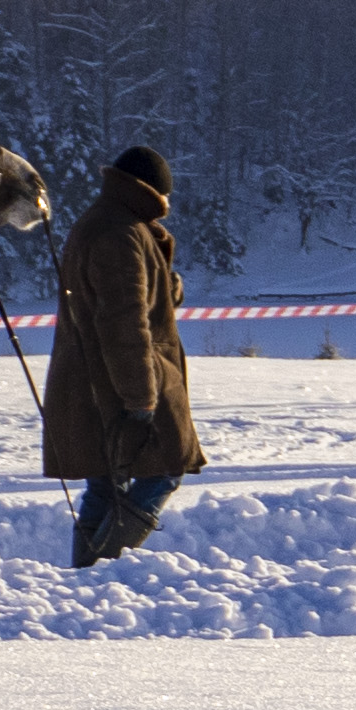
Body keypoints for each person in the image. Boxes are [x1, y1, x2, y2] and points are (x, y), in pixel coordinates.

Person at [42, 142, 204, 564]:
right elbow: (123, 323)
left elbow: (132, 298)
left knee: (105, 483)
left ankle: (85, 575)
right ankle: (104, 567)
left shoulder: (108, 224)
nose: (167, 205)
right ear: (153, 192)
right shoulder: (122, 235)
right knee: (164, 471)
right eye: (165, 197)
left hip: (89, 382)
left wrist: (166, 283)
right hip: (116, 384)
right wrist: (141, 397)